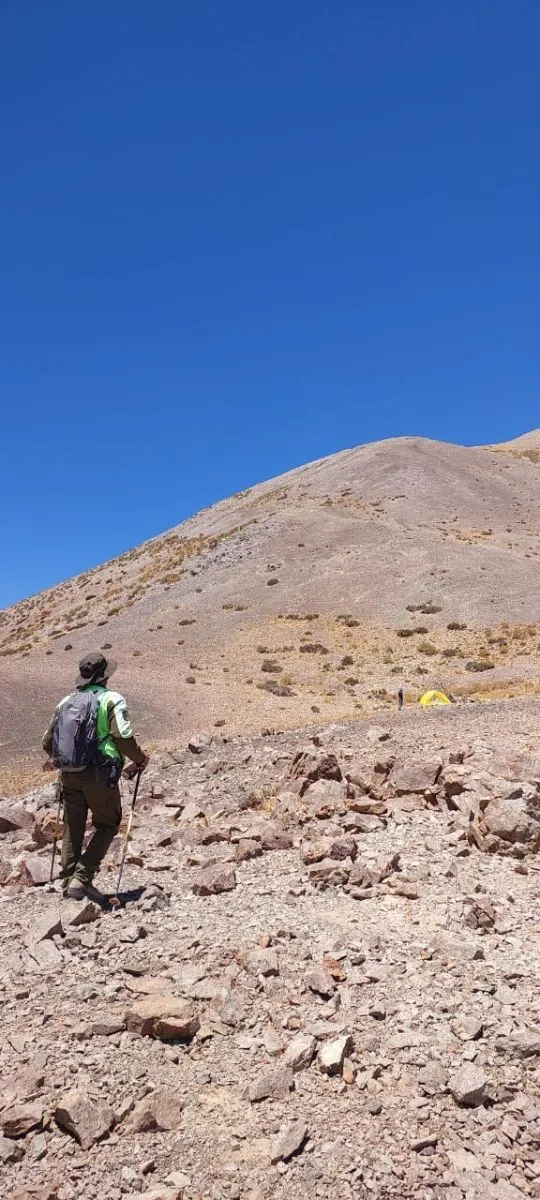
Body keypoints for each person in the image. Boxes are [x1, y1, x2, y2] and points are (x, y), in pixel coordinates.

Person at [42, 651, 148, 899]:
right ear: (104, 676)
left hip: (68, 773)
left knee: (73, 825)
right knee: (108, 823)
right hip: (100, 771)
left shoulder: (65, 702)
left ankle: (69, 880)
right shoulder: (111, 699)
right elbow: (122, 736)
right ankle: (82, 877)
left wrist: (67, 759)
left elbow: (47, 742)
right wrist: (140, 759)